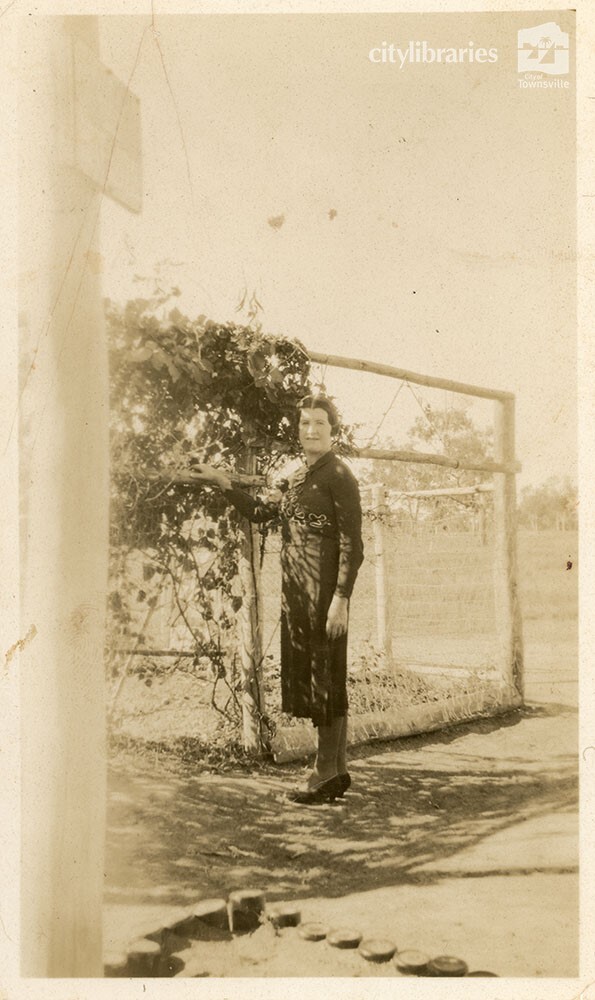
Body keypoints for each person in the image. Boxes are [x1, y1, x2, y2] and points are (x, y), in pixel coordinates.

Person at [193, 395, 364, 804]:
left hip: (324, 594)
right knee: (324, 675)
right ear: (298, 429)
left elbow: (352, 544)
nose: (311, 429)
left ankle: (323, 774)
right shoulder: (299, 476)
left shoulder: (339, 475)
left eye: (319, 422)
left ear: (332, 429)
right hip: (298, 592)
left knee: (325, 676)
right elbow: (259, 512)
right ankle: (337, 770)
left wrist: (340, 599)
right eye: (305, 423)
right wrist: (222, 481)